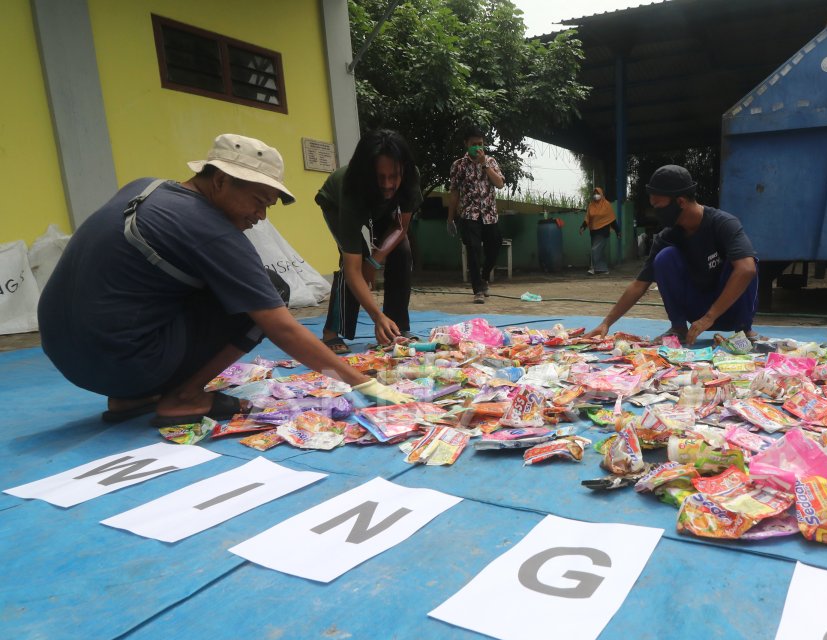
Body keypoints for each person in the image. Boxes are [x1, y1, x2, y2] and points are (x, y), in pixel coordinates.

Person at [37, 133, 408, 426]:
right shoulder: (210, 229)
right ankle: (183, 398)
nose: (261, 216)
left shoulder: (146, 187)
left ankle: (132, 397)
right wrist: (360, 382)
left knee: (211, 287)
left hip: (64, 351)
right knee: (267, 291)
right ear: (218, 182)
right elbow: (282, 328)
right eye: (258, 201)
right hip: (119, 360)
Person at [585, 165, 759, 345]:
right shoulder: (667, 237)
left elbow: (746, 270)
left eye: (658, 206)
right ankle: (679, 328)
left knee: (745, 261)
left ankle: (745, 329)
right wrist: (606, 323)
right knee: (664, 257)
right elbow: (639, 284)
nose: (655, 212)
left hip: (730, 310)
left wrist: (709, 317)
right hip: (697, 313)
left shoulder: (723, 223)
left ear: (681, 202)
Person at [317, 129, 422, 352]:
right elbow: (354, 269)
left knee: (402, 250)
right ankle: (330, 332)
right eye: (380, 177)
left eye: (394, 176)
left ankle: (396, 328)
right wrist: (376, 316)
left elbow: (400, 227)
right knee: (354, 261)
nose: (387, 184)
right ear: (368, 173)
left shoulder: (411, 177)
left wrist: (374, 263)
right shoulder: (351, 187)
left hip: (381, 209)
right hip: (336, 205)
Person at [446, 126, 505, 303]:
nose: (477, 147)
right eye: (473, 144)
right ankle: (478, 290)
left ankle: (484, 277)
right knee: (473, 250)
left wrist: (484, 164)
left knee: (494, 246)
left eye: (480, 144)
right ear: (466, 144)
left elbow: (500, 184)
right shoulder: (458, 165)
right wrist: (450, 219)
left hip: (489, 215)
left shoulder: (491, 162)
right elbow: (454, 192)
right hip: (469, 215)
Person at [579, 186, 620, 275]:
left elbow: (612, 220)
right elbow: (587, 219)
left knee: (595, 250)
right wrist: (582, 227)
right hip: (593, 232)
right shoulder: (591, 205)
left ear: (601, 194)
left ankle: (594, 268)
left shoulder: (607, 205)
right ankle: (603, 269)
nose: (596, 195)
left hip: (603, 232)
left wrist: (618, 231)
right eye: (594, 194)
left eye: (598, 193)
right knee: (599, 251)